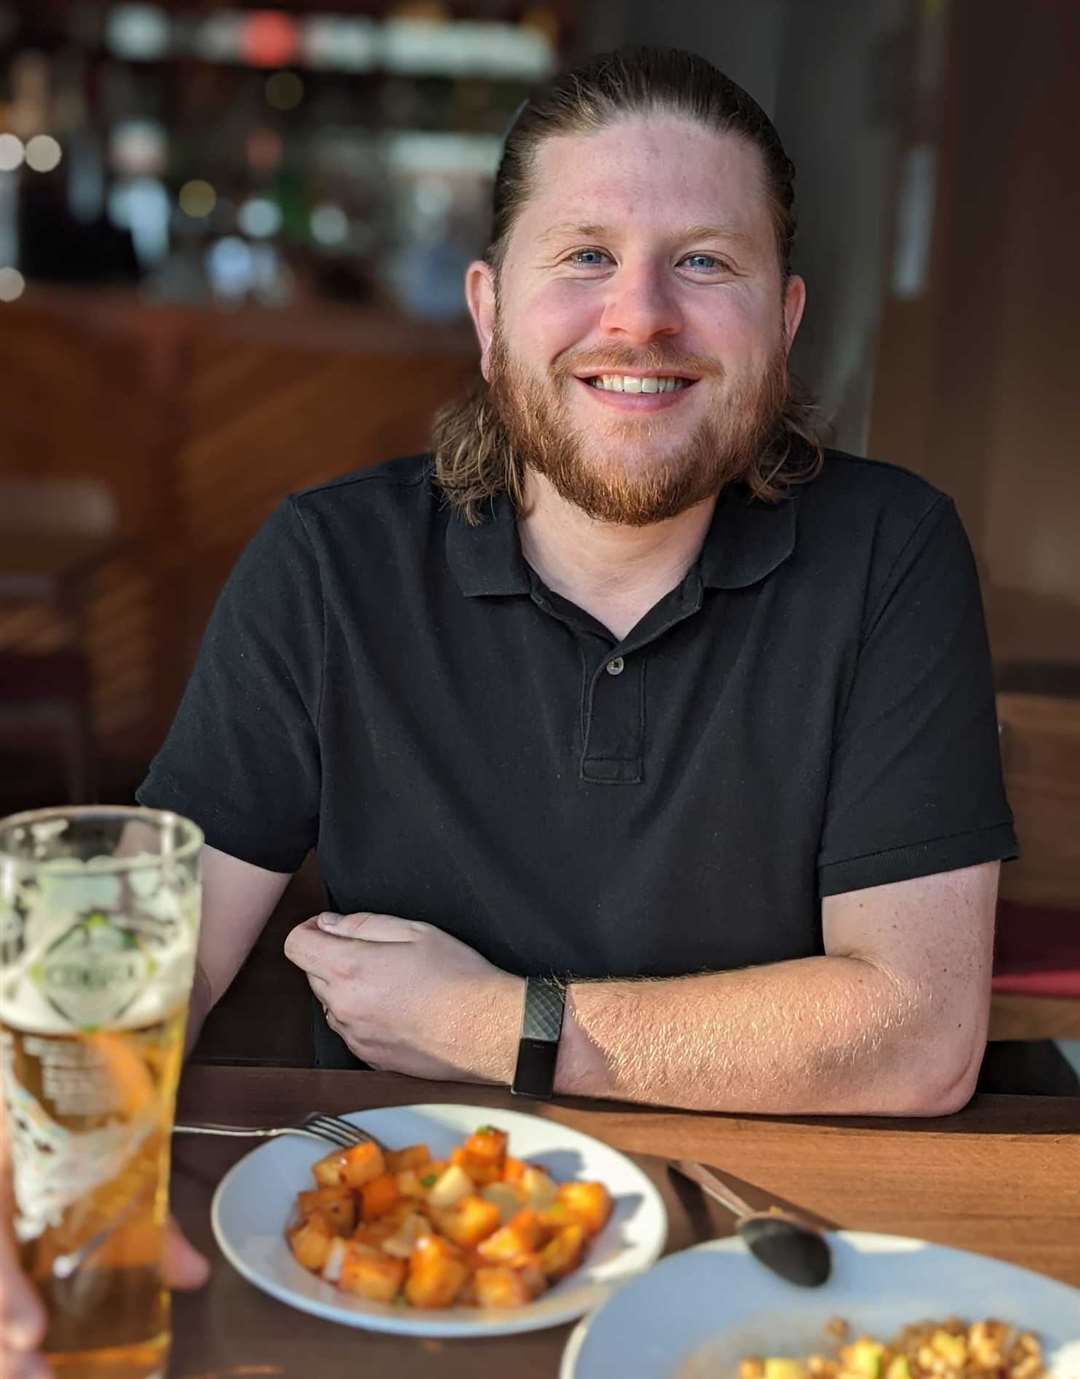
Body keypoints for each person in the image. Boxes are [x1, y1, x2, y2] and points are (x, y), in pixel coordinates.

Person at [2, 46, 1017, 1372]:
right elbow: (151, 965)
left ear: (783, 316)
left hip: (761, 1288)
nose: (639, 315)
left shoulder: (891, 553)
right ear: (488, 310)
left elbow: (920, 1035)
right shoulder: (330, 564)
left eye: (704, 261)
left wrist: (495, 1024)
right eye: (584, 254)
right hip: (392, 1282)